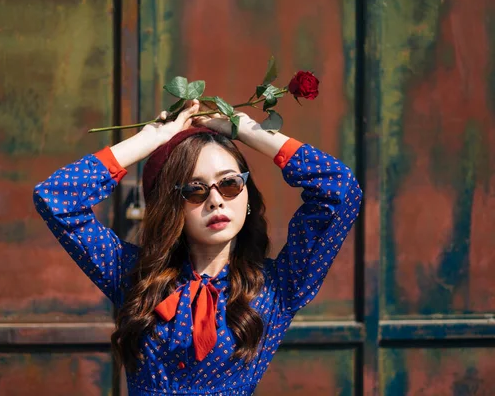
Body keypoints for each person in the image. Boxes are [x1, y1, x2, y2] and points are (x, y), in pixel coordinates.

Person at [33, 99, 362, 395]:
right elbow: (56, 198)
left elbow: (340, 190)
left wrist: (249, 131)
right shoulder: (134, 276)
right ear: (173, 207)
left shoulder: (277, 286)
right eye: (195, 190)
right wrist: (149, 140)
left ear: (248, 197)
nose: (216, 200)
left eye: (230, 184)